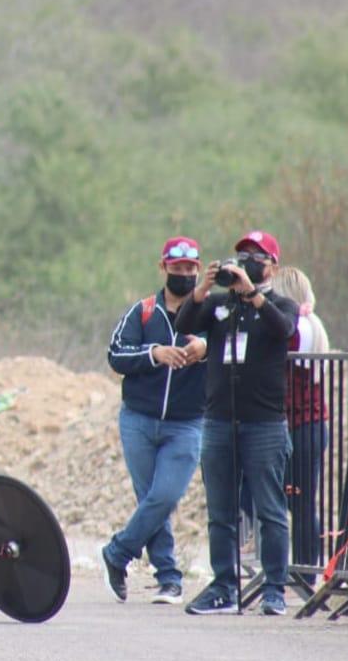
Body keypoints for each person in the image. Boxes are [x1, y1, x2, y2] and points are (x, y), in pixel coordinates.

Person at [176, 230, 298, 616]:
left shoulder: (279, 303)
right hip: (219, 420)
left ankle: (274, 588)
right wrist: (202, 289)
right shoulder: (219, 306)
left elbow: (284, 330)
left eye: (256, 256)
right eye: (242, 255)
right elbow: (184, 324)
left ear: (272, 266)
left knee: (270, 509)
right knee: (221, 511)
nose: (247, 261)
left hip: (264, 423)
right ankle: (224, 586)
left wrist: (253, 293)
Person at [102, 237, 207, 605]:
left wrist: (204, 347)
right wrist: (154, 353)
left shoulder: (210, 311)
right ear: (163, 268)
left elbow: (231, 345)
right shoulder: (143, 312)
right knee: (150, 498)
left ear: (198, 269)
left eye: (190, 269)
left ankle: (117, 553)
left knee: (165, 495)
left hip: (187, 423)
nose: (183, 274)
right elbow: (116, 354)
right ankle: (169, 577)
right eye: (177, 269)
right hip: (139, 419)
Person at [274, 266, 330, 579]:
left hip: (301, 423)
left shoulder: (300, 327)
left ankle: (305, 570)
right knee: (299, 500)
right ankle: (304, 568)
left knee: (299, 500)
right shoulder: (312, 324)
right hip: (307, 422)